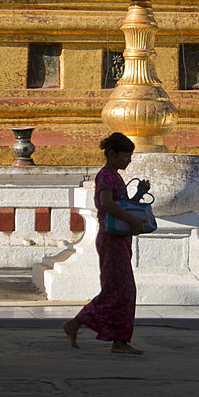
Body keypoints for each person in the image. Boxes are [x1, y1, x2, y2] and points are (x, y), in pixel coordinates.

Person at [63, 132, 148, 355]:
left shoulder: (116, 177)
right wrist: (132, 220)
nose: (128, 160)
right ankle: (80, 324)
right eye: (125, 156)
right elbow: (107, 203)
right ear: (112, 154)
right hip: (111, 239)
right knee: (117, 290)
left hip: (120, 239)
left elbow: (123, 205)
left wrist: (139, 194)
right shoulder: (105, 177)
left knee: (123, 290)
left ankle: (117, 339)